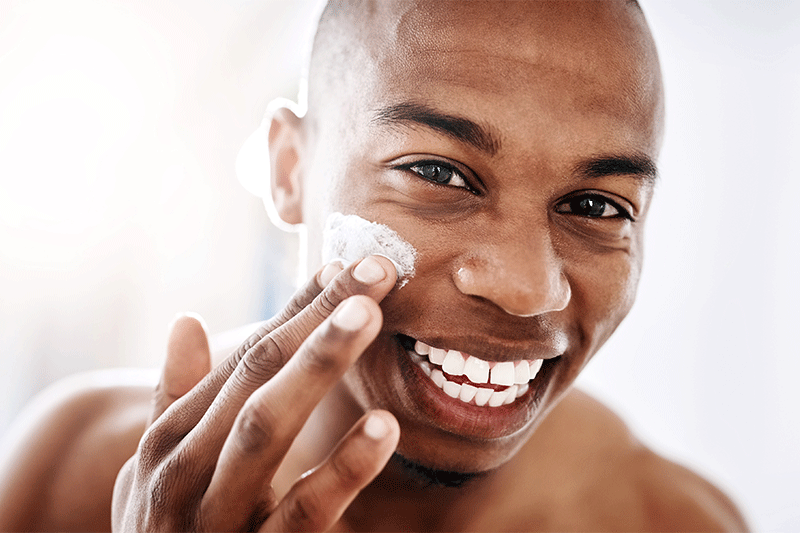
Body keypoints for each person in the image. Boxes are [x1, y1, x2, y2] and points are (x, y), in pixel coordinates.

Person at [0, 1, 749, 531]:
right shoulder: (74, 472)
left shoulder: (672, 519)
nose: (527, 289)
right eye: (439, 172)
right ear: (291, 170)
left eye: (595, 207)